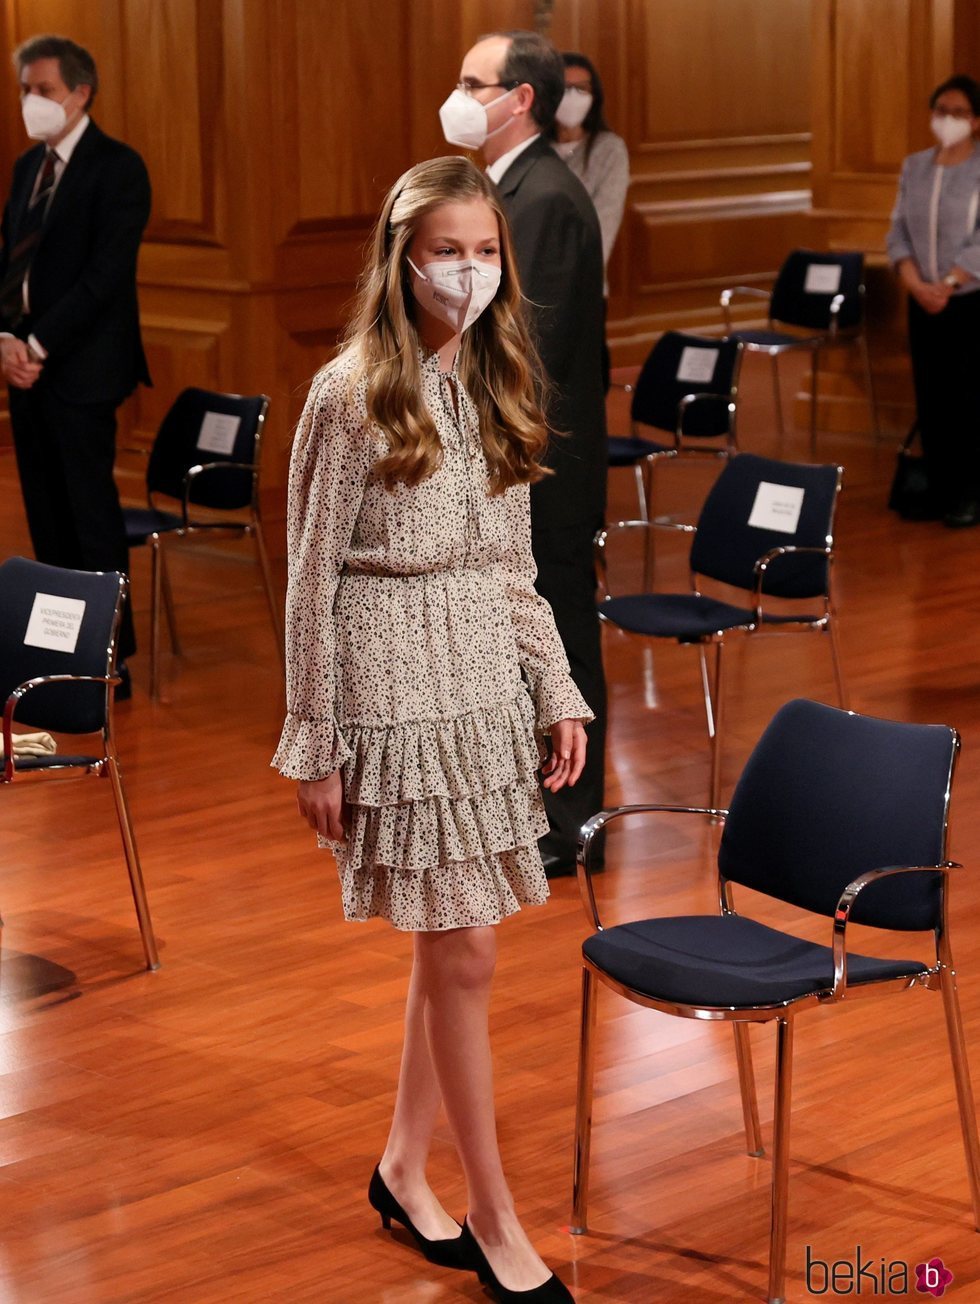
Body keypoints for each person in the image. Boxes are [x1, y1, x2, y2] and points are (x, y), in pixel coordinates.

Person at [273, 156, 589, 1303]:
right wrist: (315, 737)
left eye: (486, 251)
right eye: (448, 250)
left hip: (477, 683)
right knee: (466, 945)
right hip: (389, 676)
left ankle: (404, 1165)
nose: (469, 270)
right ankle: (494, 1216)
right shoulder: (348, 389)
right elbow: (308, 579)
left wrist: (555, 685)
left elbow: (514, 563)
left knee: (448, 939)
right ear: (403, 258)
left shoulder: (496, 379)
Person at [442, 29, 607, 876]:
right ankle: (531, 804)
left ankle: (572, 822)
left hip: (543, 471)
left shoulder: (542, 197)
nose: (459, 96)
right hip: (519, 460)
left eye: (475, 83)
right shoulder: (509, 188)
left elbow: (524, 351)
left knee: (562, 637)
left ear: (520, 100)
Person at [0, 34, 151, 675]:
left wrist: (37, 342)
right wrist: (7, 340)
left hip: (82, 368)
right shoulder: (26, 168)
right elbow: (14, 264)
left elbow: (104, 275)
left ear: (81, 92)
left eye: (44, 90)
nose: (32, 102)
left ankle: (106, 657)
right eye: (26, 91)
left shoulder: (117, 167)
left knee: (89, 516)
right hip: (24, 369)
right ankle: (57, 653)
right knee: (45, 515)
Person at [887, 73, 980, 528]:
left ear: (976, 120)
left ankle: (969, 493)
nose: (948, 120)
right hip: (922, 298)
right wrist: (915, 283)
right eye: (941, 110)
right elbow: (898, 231)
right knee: (931, 394)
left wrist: (947, 282)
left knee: (967, 397)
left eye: (959, 112)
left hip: (967, 299)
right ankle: (939, 488)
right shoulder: (915, 166)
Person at [551, 51, 630, 390]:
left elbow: (602, 225)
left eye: (583, 88)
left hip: (584, 284)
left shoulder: (608, 149)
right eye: (566, 87)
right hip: (532, 286)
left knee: (584, 383)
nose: (573, 96)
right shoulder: (534, 150)